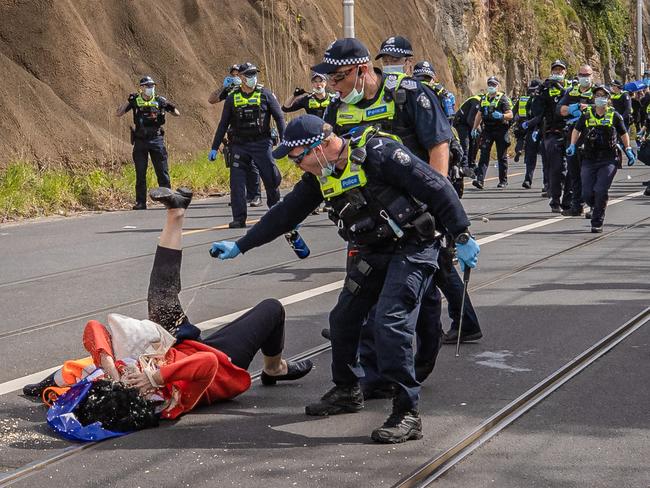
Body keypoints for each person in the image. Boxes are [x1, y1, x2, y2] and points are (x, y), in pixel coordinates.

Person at [209, 115, 480, 443]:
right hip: (372, 250)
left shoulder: (379, 154)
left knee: (390, 323)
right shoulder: (320, 177)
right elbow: (285, 214)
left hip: (413, 248)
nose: (297, 167)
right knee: (343, 319)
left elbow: (436, 187)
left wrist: (462, 235)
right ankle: (347, 389)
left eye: (298, 159)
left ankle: (407, 411)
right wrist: (240, 245)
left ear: (321, 147)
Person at [24, 188, 313, 428]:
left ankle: (176, 213)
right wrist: (153, 378)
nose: (128, 381)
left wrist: (109, 368)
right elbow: (206, 364)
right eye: (130, 387)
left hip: (179, 347)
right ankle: (275, 368)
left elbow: (93, 331)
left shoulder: (115, 380)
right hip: (220, 365)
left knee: (160, 296)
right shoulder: (169, 403)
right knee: (272, 309)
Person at [317, 38, 474, 394]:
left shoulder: (409, 95)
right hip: (368, 219)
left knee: (423, 297)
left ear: (360, 70)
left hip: (417, 215)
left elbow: (438, 146)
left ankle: (419, 364)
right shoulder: (336, 108)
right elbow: (328, 152)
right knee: (368, 298)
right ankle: (376, 375)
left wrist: (439, 210)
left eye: (339, 78)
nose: (334, 87)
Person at [208, 62, 285, 228]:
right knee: (237, 184)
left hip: (261, 143)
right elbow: (223, 123)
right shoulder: (232, 97)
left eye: (254, 74)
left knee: (271, 178)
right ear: (241, 77)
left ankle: (276, 210)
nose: (252, 78)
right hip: (239, 145)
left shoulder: (266, 94)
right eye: (248, 75)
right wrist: (214, 147)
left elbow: (279, 117)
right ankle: (239, 218)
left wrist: (285, 139)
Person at [566, 85, 635, 232]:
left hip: (608, 158)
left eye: (603, 95)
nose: (600, 98)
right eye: (597, 95)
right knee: (586, 192)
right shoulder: (587, 114)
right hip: (589, 158)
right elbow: (576, 130)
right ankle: (595, 204)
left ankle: (597, 221)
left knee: (600, 189)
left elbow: (623, 133)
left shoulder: (614, 115)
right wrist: (572, 144)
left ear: (608, 99)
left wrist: (628, 148)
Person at [116, 76, 180, 210]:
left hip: (156, 139)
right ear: (142, 87)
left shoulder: (158, 100)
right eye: (148, 86)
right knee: (140, 173)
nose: (151, 88)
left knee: (162, 171)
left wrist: (168, 105)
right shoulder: (135, 100)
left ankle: (168, 200)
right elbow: (119, 113)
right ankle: (140, 202)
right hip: (140, 141)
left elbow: (177, 113)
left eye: (152, 86)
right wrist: (128, 102)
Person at [208, 64, 262, 208]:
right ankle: (239, 197)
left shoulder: (254, 88)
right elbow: (212, 99)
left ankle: (255, 195)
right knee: (236, 167)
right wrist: (223, 86)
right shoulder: (230, 90)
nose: (235, 77)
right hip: (235, 131)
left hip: (253, 131)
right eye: (233, 74)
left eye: (238, 74)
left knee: (253, 165)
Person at [531, 59, 572, 208]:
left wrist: (561, 90)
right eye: (555, 70)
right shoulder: (545, 90)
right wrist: (540, 91)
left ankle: (568, 200)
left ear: (565, 72)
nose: (558, 73)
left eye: (561, 70)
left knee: (572, 169)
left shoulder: (572, 88)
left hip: (572, 132)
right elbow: (536, 111)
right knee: (555, 168)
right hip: (552, 132)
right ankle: (555, 198)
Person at [558, 64, 596, 216]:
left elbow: (605, 108)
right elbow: (560, 109)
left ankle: (594, 206)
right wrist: (572, 108)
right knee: (574, 172)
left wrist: (587, 108)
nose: (584, 77)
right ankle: (576, 205)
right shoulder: (571, 92)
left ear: (592, 75)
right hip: (573, 136)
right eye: (582, 74)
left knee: (590, 173)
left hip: (592, 136)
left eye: (587, 74)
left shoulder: (598, 92)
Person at [471, 76, 514, 189]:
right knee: (484, 154)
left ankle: (503, 181)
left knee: (502, 156)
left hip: (501, 129)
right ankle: (480, 180)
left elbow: (510, 115)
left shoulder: (503, 99)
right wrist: (474, 128)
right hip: (488, 130)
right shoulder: (484, 99)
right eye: (490, 84)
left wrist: (502, 116)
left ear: (497, 86)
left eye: (494, 85)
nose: (491, 87)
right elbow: (479, 114)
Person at [453, 93, 483, 172]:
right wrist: (478, 130)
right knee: (465, 143)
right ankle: (464, 165)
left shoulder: (486, 103)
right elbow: (470, 119)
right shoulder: (476, 101)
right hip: (461, 122)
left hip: (469, 123)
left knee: (474, 143)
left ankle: (471, 164)